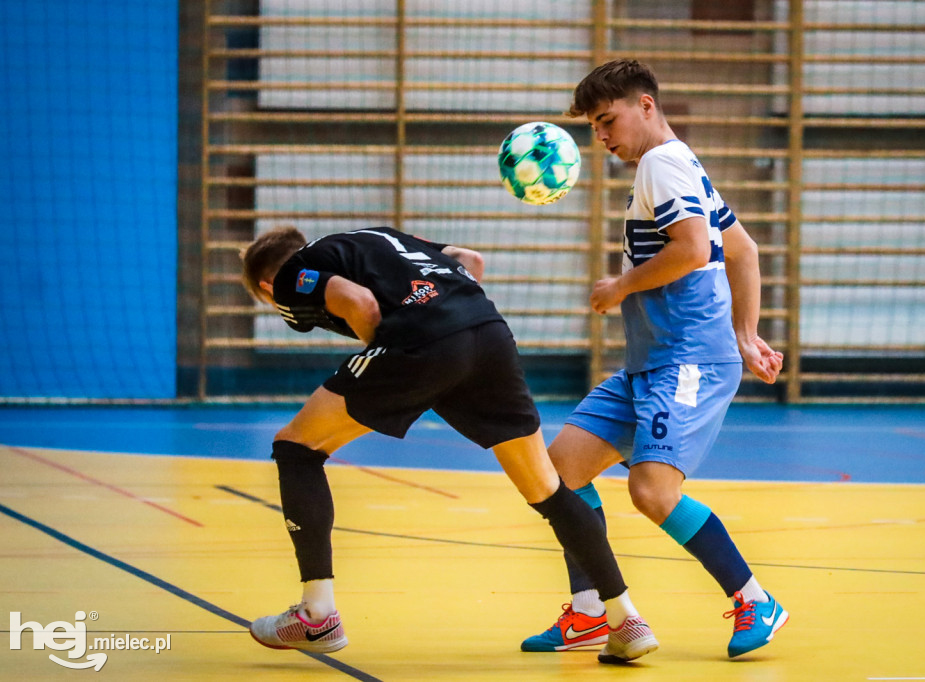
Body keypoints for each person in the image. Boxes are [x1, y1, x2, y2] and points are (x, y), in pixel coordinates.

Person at [240, 224, 658, 663]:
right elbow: (471, 261)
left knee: (296, 448)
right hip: (488, 331)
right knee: (548, 490)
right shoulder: (375, 237)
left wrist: (401, 358)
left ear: (267, 286)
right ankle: (624, 619)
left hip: (420, 340)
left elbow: (357, 302)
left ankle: (317, 614)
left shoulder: (291, 275)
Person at [519, 59, 788, 659]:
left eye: (607, 120)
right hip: (654, 361)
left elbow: (694, 251)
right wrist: (746, 334)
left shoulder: (660, 165)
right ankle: (590, 613)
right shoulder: (682, 161)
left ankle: (755, 600)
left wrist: (620, 286)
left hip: (686, 361)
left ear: (645, 106)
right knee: (559, 473)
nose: (602, 136)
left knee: (652, 490)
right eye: (593, 127)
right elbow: (740, 251)